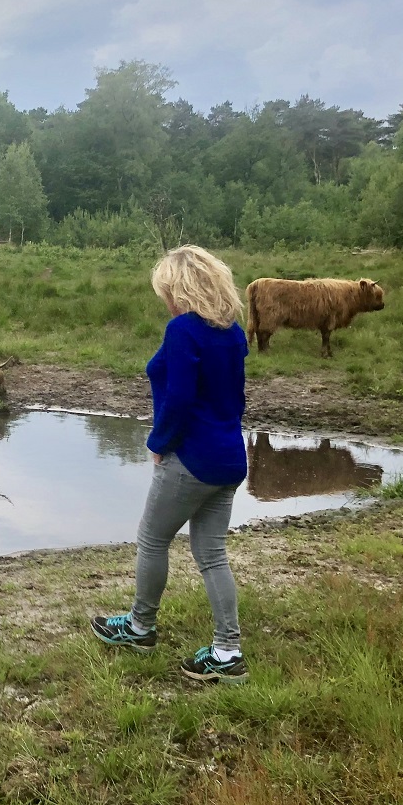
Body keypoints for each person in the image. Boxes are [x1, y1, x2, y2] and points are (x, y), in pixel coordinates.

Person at [91, 245, 250, 684]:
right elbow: (235, 399)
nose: (164, 298)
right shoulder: (233, 332)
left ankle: (141, 628)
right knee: (212, 554)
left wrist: (159, 443)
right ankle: (227, 651)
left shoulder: (183, 330)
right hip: (230, 458)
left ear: (179, 288)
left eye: (165, 289)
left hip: (191, 458)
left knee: (152, 539)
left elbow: (179, 398)